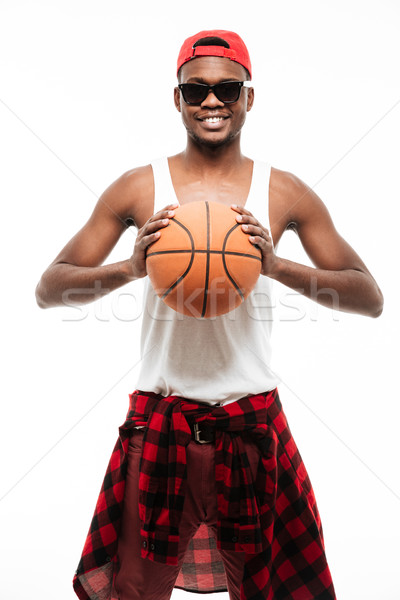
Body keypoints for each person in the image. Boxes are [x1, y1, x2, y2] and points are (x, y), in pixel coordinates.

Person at [36, 29, 383, 600]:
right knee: (134, 591)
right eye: (196, 90)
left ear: (249, 96)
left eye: (227, 88)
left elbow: (368, 296)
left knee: (276, 589)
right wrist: (129, 268)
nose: (211, 102)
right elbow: (51, 288)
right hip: (160, 420)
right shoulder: (139, 186)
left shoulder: (284, 191)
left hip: (252, 422)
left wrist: (276, 267)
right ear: (177, 99)